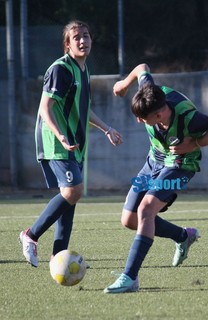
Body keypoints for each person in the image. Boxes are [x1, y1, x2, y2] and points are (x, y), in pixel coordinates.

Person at [103, 63, 208, 293]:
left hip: (180, 166)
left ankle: (130, 277)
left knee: (146, 209)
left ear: (160, 113)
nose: (139, 122)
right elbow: (143, 67)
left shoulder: (189, 117)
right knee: (129, 219)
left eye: (143, 119)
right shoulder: (150, 95)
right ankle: (183, 236)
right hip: (152, 162)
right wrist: (124, 85)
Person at [19, 20, 122, 267]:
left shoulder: (83, 69)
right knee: (73, 191)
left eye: (86, 36)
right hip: (56, 141)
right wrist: (60, 135)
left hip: (73, 142)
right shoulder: (61, 69)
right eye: (76, 37)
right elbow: (45, 108)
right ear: (67, 45)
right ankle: (30, 235)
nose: (83, 41)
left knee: (71, 196)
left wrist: (106, 128)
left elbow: (82, 110)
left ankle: (58, 256)